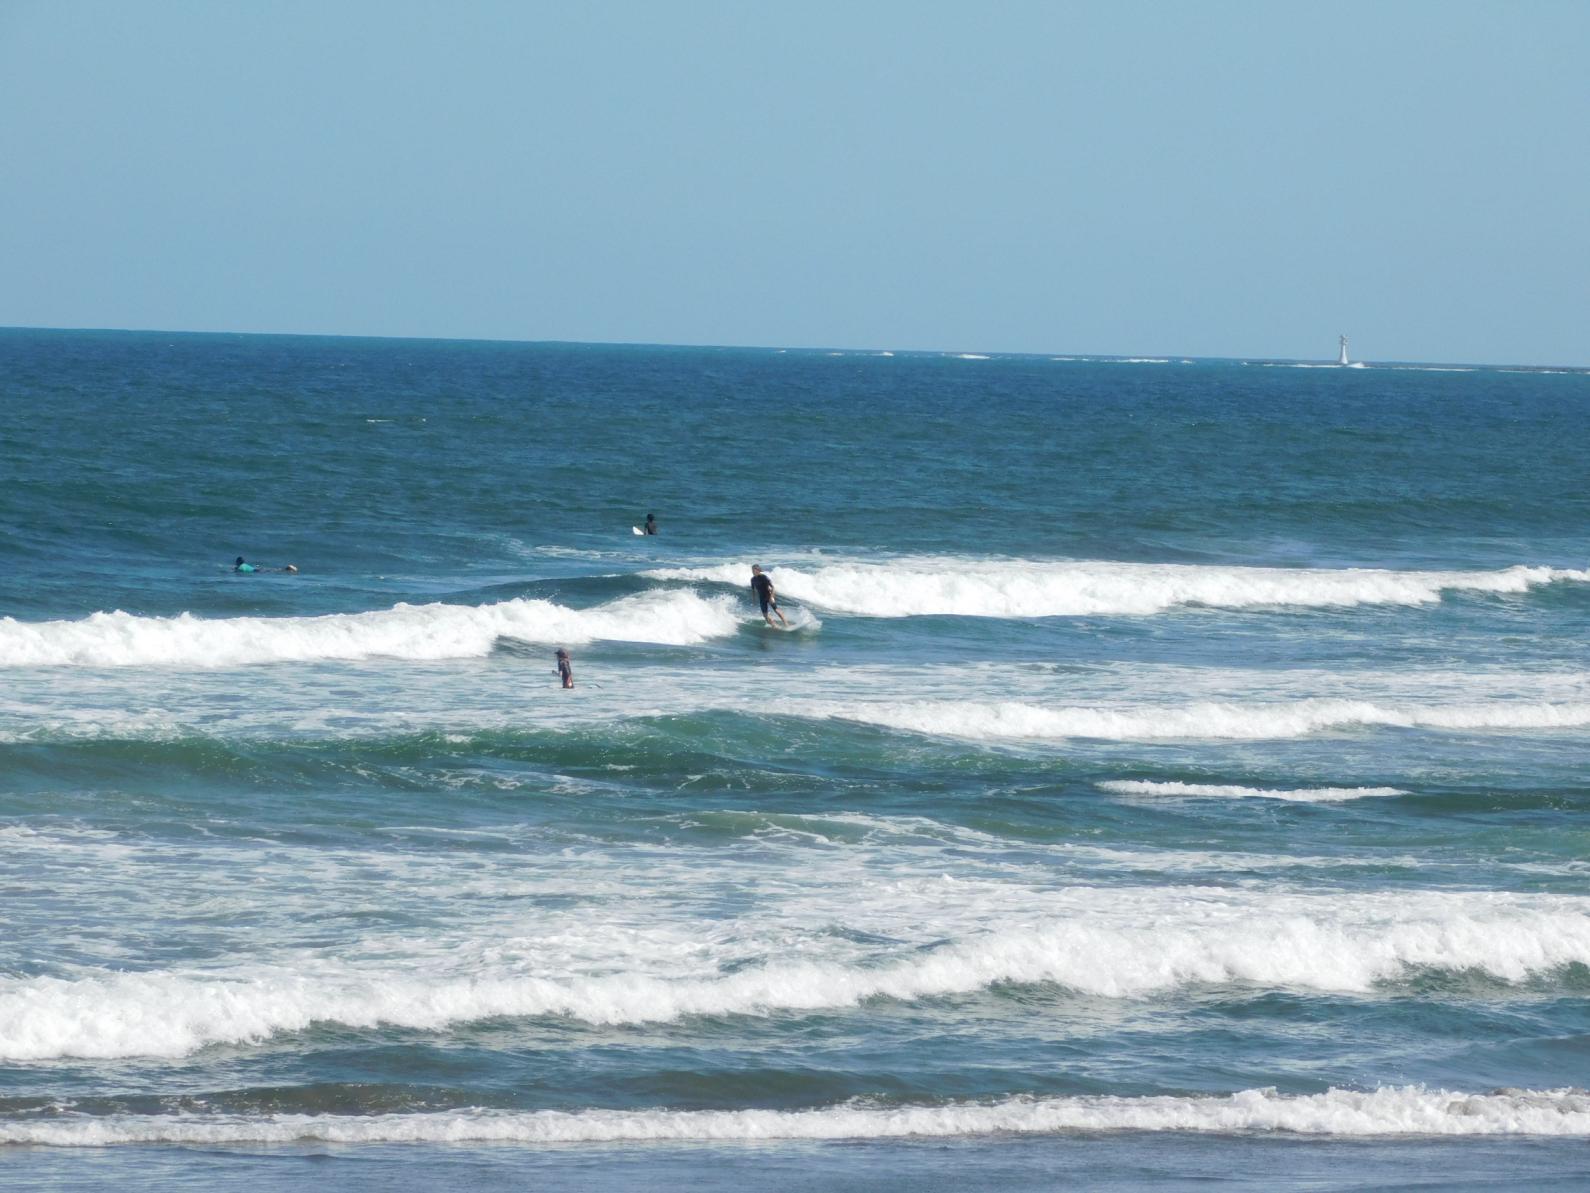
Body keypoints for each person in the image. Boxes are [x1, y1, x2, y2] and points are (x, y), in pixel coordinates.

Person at [233, 556, 298, 574]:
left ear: (238, 562)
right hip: (257, 569)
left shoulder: (240, 567)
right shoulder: (244, 565)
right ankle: (287, 569)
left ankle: (287, 569)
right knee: (273, 570)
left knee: (273, 571)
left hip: (257, 571)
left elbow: (237, 571)